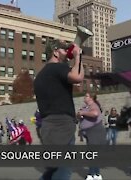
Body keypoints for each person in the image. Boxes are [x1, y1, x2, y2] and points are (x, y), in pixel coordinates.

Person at [33, 39, 84, 180]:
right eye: (63, 49)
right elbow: (78, 77)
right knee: (63, 171)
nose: (67, 52)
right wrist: (78, 56)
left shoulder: (40, 76)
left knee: (52, 170)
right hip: (62, 126)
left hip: (47, 127)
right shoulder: (58, 68)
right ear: (55, 52)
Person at [77, 92, 106, 180]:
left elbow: (95, 114)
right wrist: (80, 114)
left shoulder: (93, 105)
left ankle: (92, 174)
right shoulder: (86, 107)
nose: (84, 97)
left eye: (86, 96)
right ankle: (96, 174)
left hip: (95, 131)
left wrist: (83, 113)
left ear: (91, 98)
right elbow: (79, 114)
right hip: (89, 132)